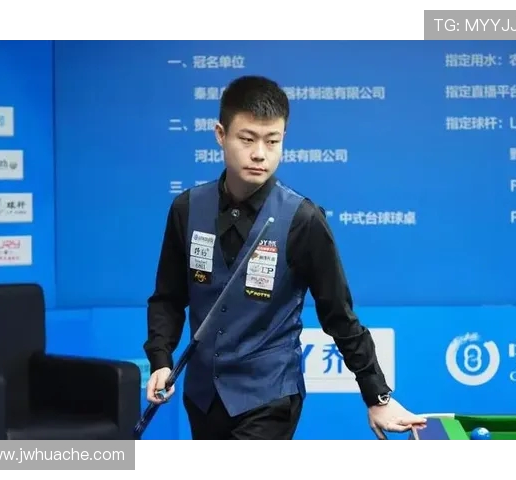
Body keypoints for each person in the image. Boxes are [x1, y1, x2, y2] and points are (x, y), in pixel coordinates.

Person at [143, 75, 427, 440]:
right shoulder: (187, 208)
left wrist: (377, 396)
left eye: (272, 141)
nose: (259, 154)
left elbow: (338, 314)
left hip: (269, 396)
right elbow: (167, 298)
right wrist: (161, 360)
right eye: (247, 139)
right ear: (220, 135)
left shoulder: (303, 219)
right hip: (202, 396)